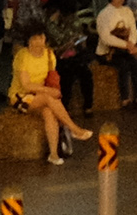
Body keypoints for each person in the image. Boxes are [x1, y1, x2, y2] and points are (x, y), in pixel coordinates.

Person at [6, 18, 93, 164]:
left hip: (41, 94)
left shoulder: (49, 55)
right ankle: (73, 128)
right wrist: (48, 91)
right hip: (20, 96)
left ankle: (53, 154)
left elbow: (52, 78)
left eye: (42, 36)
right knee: (48, 99)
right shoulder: (23, 56)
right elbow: (26, 85)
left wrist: (51, 91)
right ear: (30, 41)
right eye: (37, 37)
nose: (42, 40)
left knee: (49, 112)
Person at [91, 0, 137, 111]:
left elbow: (133, 30)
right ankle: (125, 99)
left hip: (124, 49)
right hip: (108, 53)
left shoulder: (127, 11)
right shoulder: (104, 14)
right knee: (123, 66)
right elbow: (106, 38)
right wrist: (126, 45)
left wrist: (131, 44)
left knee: (135, 64)